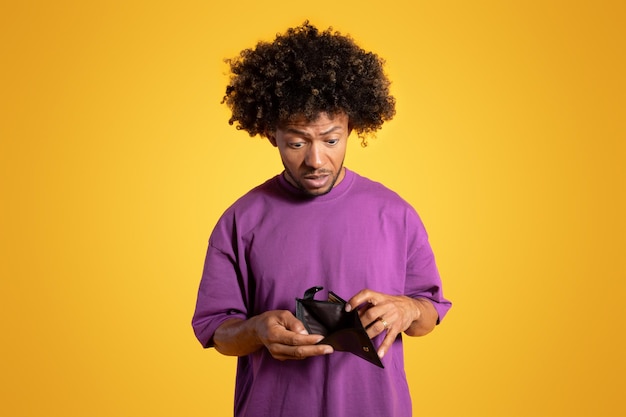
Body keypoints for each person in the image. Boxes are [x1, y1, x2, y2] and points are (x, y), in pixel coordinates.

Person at [192, 21, 452, 417]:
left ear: (353, 128)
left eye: (331, 140)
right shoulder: (240, 220)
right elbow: (217, 331)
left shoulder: (396, 214)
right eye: (297, 142)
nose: (315, 160)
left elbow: (428, 313)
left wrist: (408, 310)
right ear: (270, 134)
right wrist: (258, 330)